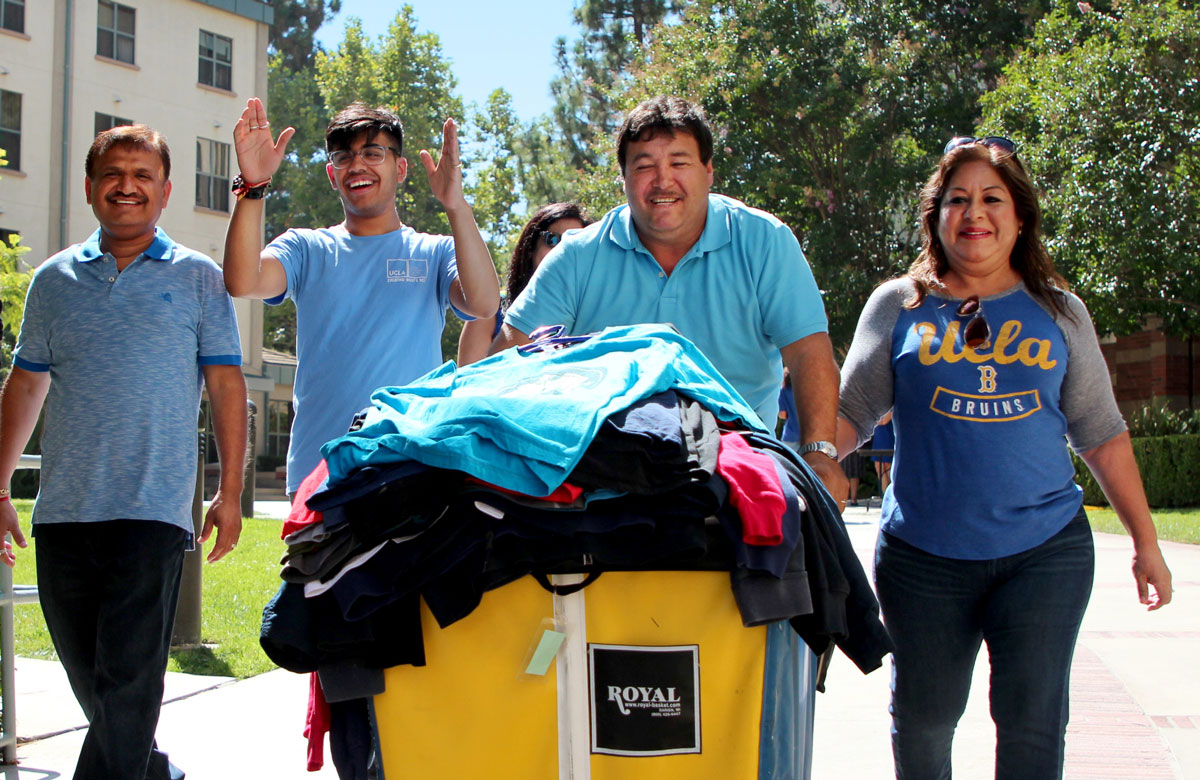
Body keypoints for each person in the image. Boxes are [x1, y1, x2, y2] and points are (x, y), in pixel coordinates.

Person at [836, 136, 1173, 779]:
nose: (975, 213)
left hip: (1045, 551)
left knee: (1032, 723)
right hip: (923, 560)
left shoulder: (1059, 312)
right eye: (957, 199)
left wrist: (1145, 541)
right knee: (925, 723)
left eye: (992, 198)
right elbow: (849, 417)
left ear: (1019, 217)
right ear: (936, 216)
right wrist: (810, 476)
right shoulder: (899, 305)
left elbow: (1100, 432)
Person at [0, 125, 246, 780]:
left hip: (153, 512)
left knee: (128, 686)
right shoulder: (53, 280)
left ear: (165, 192)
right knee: (99, 688)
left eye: (142, 174)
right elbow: (26, 382)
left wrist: (229, 488)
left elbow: (225, 381)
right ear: (90, 187)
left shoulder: (199, 278)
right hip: (63, 516)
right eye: (113, 173)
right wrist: (0, 486)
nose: (126, 185)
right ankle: (157, 771)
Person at [490, 96, 847, 502]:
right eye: (644, 166)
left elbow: (808, 352)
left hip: (740, 482)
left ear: (709, 171)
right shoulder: (576, 256)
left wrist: (819, 453)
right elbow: (507, 361)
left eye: (679, 163)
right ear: (623, 176)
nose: (663, 181)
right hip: (602, 487)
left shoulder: (765, 241)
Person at [223, 97, 500, 496]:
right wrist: (253, 187)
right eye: (343, 156)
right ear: (332, 175)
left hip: (412, 467)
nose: (357, 166)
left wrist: (455, 205)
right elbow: (242, 281)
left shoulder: (435, 252)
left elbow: (484, 304)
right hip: (321, 474)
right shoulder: (306, 248)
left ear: (400, 168)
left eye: (373, 153)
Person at [457, 202, 589, 366]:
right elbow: (467, 382)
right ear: (531, 248)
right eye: (553, 240)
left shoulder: (591, 317)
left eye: (573, 244)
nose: (561, 251)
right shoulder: (490, 311)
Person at [870, 412, 893, 494]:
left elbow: (884, 421)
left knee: (887, 467)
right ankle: (884, 495)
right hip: (878, 437)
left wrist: (872, 420)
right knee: (878, 467)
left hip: (887, 436)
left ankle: (889, 496)